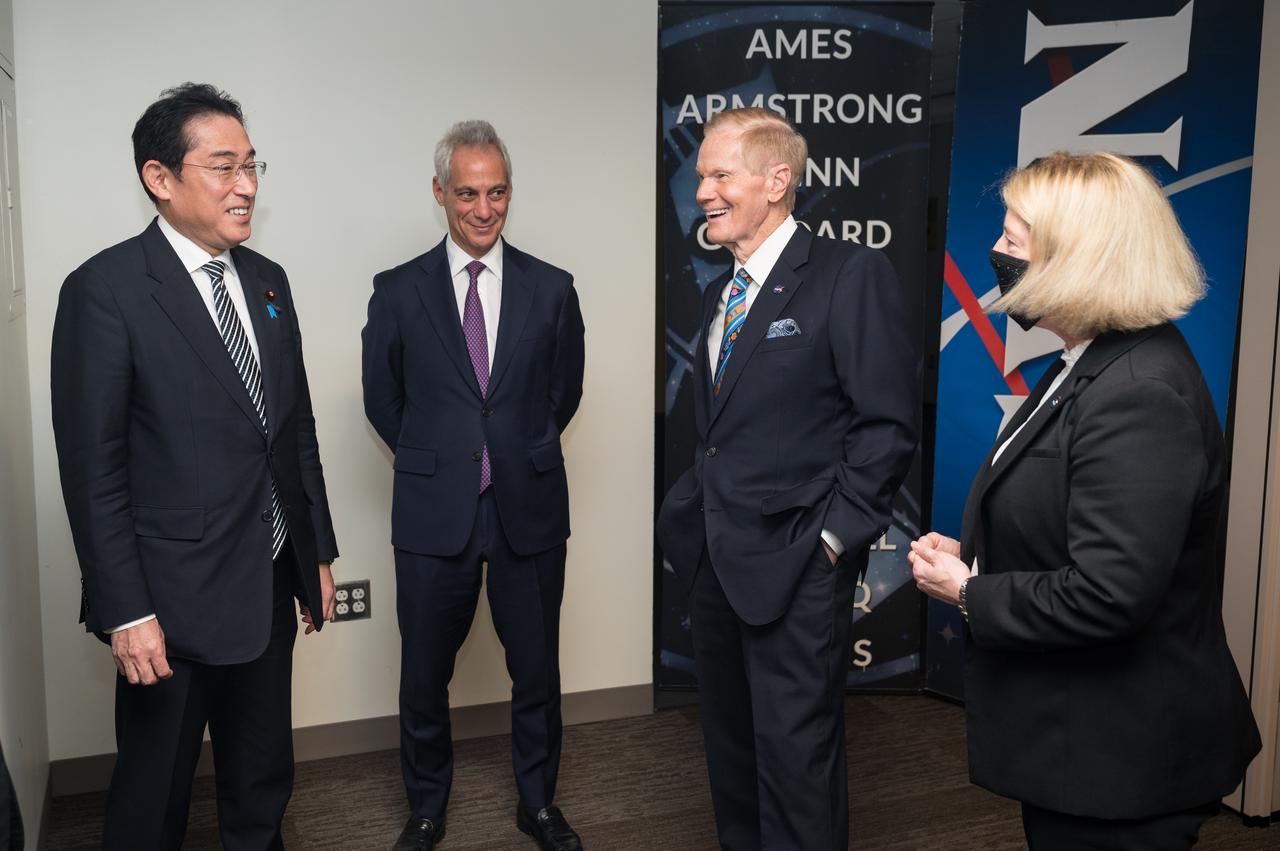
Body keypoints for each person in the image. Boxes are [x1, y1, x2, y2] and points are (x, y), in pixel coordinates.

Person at [910, 151, 1261, 850]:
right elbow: (1076, 519)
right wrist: (982, 553)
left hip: (1122, 760)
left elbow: (1109, 593)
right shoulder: (1085, 360)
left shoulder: (1137, 391)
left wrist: (970, 592)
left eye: (1013, 241)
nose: (996, 253)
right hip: (1086, 749)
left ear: (1078, 260)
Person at [50, 83, 339, 849]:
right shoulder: (104, 292)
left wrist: (317, 553)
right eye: (223, 167)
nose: (246, 185)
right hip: (167, 609)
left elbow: (293, 429)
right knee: (153, 800)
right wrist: (126, 610)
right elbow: (93, 469)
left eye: (252, 165)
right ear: (160, 177)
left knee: (262, 781)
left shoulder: (267, 279)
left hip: (269, 581)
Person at [656, 107, 918, 850]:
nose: (700, 189)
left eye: (718, 174)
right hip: (717, 563)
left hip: (800, 565)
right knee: (732, 755)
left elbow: (887, 425)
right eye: (699, 174)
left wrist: (833, 540)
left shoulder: (847, 275)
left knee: (797, 763)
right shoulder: (719, 293)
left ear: (776, 181)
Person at [362, 120, 586, 851]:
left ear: (510, 192)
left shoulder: (554, 289)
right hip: (434, 514)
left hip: (528, 508)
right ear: (440, 193)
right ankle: (426, 806)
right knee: (424, 675)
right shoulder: (396, 293)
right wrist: (442, 457)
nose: (483, 208)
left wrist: (508, 451)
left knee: (538, 672)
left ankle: (537, 802)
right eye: (467, 192)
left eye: (496, 192)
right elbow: (382, 401)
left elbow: (563, 394)